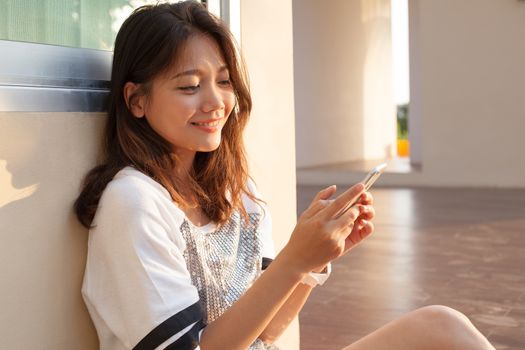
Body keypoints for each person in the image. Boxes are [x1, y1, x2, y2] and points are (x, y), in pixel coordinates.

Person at [74, 2, 495, 349]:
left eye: (224, 81)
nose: (216, 102)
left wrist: (313, 261)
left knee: (442, 327)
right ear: (136, 100)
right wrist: (294, 259)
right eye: (189, 87)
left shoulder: (236, 192)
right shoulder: (133, 204)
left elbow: (268, 333)